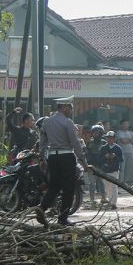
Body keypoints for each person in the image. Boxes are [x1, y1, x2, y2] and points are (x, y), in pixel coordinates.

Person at [37, 96, 89, 226]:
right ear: (64, 107)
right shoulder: (68, 122)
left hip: (53, 157)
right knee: (69, 188)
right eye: (70, 107)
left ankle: (41, 209)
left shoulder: (47, 122)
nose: (71, 110)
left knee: (54, 186)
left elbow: (42, 142)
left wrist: (42, 158)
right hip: (66, 157)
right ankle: (63, 218)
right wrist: (83, 160)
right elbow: (75, 143)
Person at [100, 131, 123, 209]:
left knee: (114, 187)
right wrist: (105, 157)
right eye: (108, 138)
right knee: (107, 187)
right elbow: (99, 159)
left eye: (111, 138)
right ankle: (110, 201)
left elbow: (121, 159)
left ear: (114, 139)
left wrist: (115, 156)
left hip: (114, 170)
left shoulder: (118, 148)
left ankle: (114, 203)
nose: (109, 139)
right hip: (105, 170)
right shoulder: (103, 148)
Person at [85, 125, 106, 202]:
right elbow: (87, 153)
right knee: (92, 183)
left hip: (100, 165)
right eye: (93, 132)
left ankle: (103, 198)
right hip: (91, 165)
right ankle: (92, 199)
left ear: (100, 133)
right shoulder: (90, 142)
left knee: (101, 182)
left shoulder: (104, 142)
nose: (94, 134)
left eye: (96, 132)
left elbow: (105, 154)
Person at [116, 119, 133, 184]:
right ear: (121, 125)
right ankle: (121, 182)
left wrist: (128, 140)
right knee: (122, 168)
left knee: (128, 168)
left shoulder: (130, 132)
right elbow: (123, 141)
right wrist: (130, 140)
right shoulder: (119, 132)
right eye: (124, 124)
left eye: (127, 124)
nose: (126, 125)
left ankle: (126, 181)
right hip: (122, 152)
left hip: (130, 152)